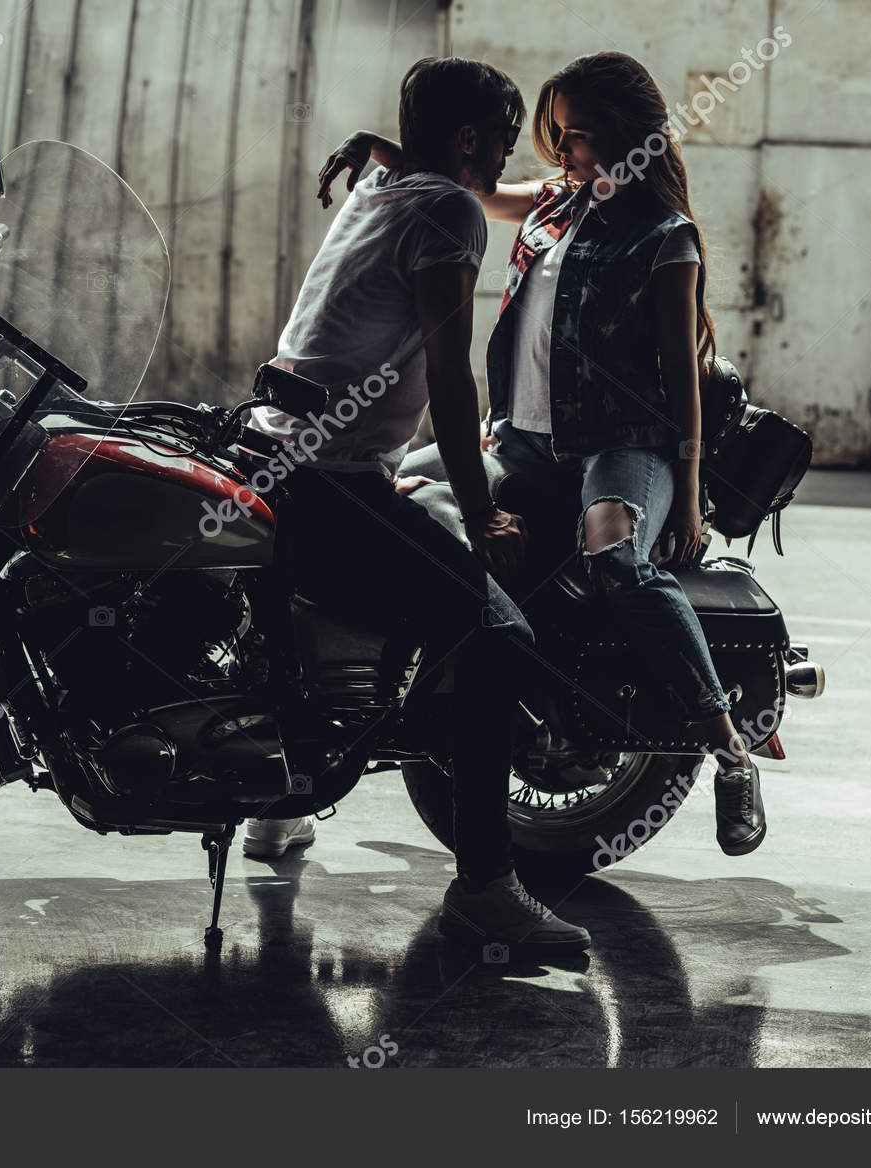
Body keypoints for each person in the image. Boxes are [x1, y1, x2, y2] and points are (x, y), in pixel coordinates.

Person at [316, 51, 766, 856]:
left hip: (623, 448)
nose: (560, 151)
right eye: (553, 132)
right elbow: (467, 185)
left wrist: (690, 491)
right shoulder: (551, 205)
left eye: (579, 134)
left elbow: (681, 378)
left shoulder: (667, 238)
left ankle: (729, 748)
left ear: (629, 138)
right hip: (521, 443)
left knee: (616, 554)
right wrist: (380, 148)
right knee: (391, 498)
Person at [241, 57, 590, 950]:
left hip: (271, 450)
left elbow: (473, 185)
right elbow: (449, 372)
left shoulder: (382, 189)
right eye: (504, 141)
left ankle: (279, 807)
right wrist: (483, 516)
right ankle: (484, 883)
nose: (510, 163)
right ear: (470, 140)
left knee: (305, 619)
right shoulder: (447, 210)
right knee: (495, 630)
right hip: (328, 479)